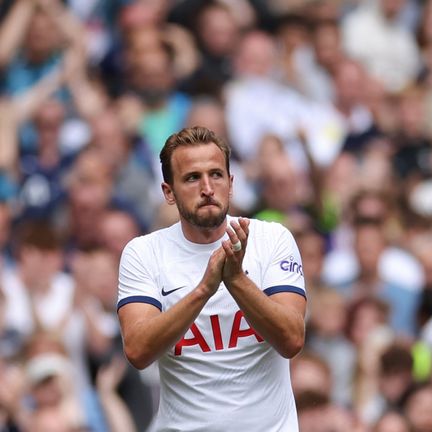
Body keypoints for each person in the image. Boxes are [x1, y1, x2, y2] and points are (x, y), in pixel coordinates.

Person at [116, 126, 307, 431]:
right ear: (169, 192)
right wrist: (204, 289)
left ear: (231, 184)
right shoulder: (144, 253)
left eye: (216, 175)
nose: (207, 187)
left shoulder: (272, 238)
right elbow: (138, 351)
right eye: (192, 178)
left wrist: (237, 281)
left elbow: (292, 338)